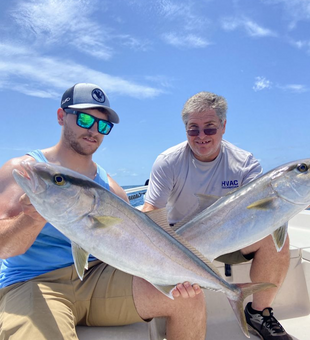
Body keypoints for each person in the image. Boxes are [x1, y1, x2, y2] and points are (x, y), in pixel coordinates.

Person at [0, 83, 206, 340]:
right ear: (61, 116)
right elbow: (3, 248)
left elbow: (132, 242)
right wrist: (31, 218)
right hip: (33, 282)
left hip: (95, 276)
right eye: (85, 118)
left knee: (187, 299)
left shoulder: (111, 191)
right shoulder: (26, 171)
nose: (94, 130)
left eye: (103, 125)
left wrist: (170, 272)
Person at [142, 91, 292, 340]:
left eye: (209, 128)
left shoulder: (244, 163)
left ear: (223, 126)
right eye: (193, 129)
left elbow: (263, 211)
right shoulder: (168, 162)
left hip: (232, 236)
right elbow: (150, 212)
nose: (201, 136)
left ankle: (259, 313)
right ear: (186, 130)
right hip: (181, 240)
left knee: (277, 239)